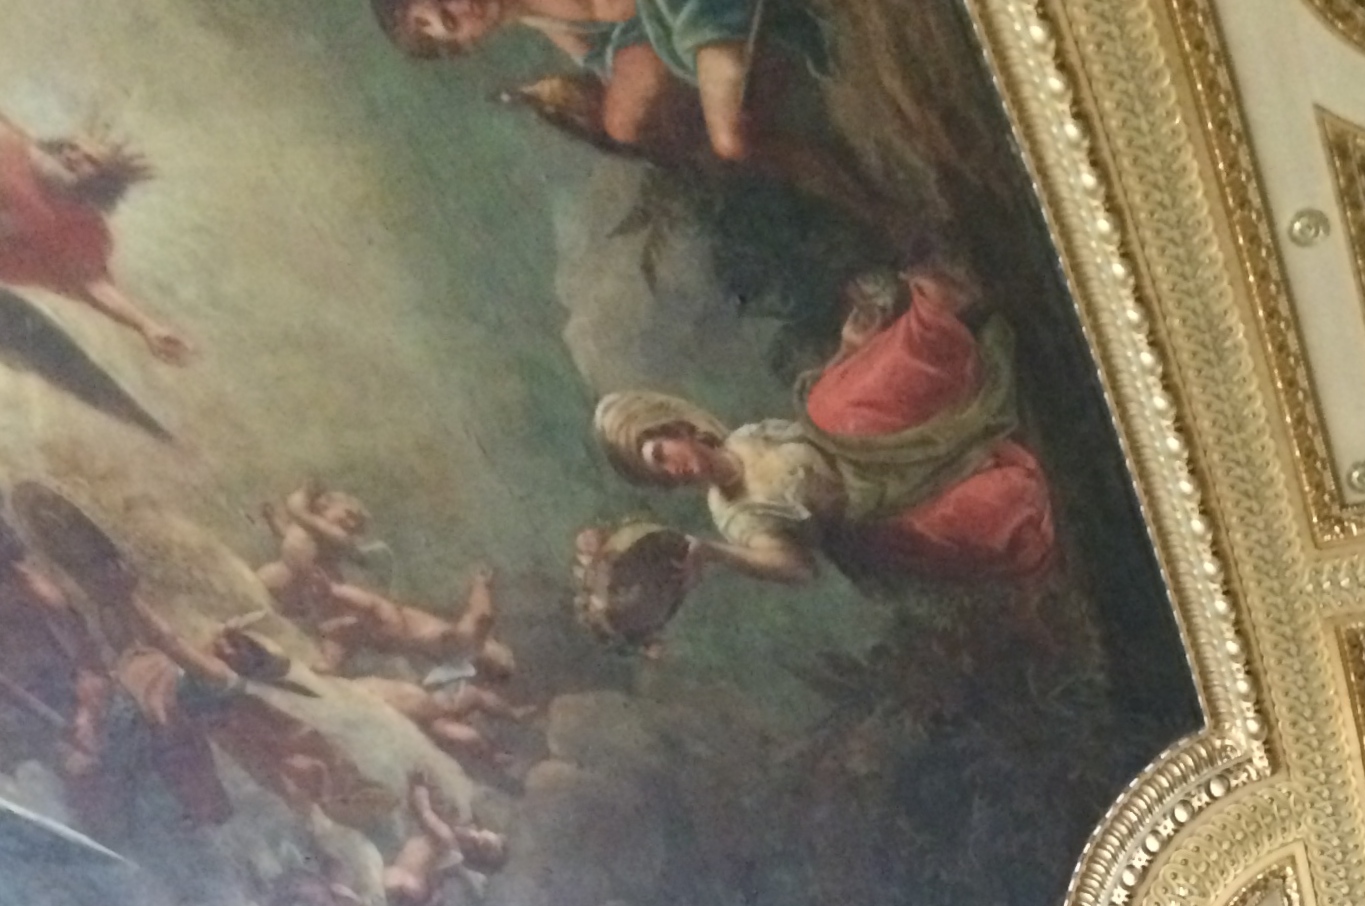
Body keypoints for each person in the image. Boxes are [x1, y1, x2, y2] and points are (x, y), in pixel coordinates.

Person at [590, 269, 1054, 605]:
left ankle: (942, 326)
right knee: (835, 415)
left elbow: (814, 429)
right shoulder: (733, 514)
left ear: (675, 429)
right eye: (662, 476)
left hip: (868, 441)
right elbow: (795, 567)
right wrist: (715, 554)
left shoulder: (747, 439)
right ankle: (938, 345)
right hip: (878, 508)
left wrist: (847, 350)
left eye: (661, 454)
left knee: (826, 409)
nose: (674, 471)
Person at [372, 0, 890, 227]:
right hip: (677, 36)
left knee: (726, 135)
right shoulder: (532, 18)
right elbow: (601, 56)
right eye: (446, 27)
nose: (457, 12)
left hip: (695, 13)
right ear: (466, 46)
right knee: (640, 127)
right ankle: (854, 189)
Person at [0, 118, 189, 365]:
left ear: (104, 182)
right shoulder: (10, 147)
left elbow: (94, 284)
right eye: (72, 147)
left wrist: (147, 326)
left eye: (91, 160)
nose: (73, 156)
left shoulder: (83, 230)